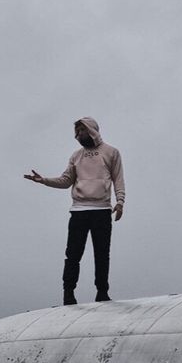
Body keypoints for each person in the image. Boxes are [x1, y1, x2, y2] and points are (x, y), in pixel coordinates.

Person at [24, 117, 125, 305]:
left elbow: (118, 179)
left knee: (102, 253)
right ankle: (68, 293)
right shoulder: (76, 156)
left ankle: (102, 292)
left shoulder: (111, 152)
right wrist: (44, 180)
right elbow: (66, 180)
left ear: (91, 130)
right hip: (79, 210)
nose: (77, 136)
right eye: (76, 133)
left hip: (102, 210)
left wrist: (120, 202)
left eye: (81, 132)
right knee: (73, 253)